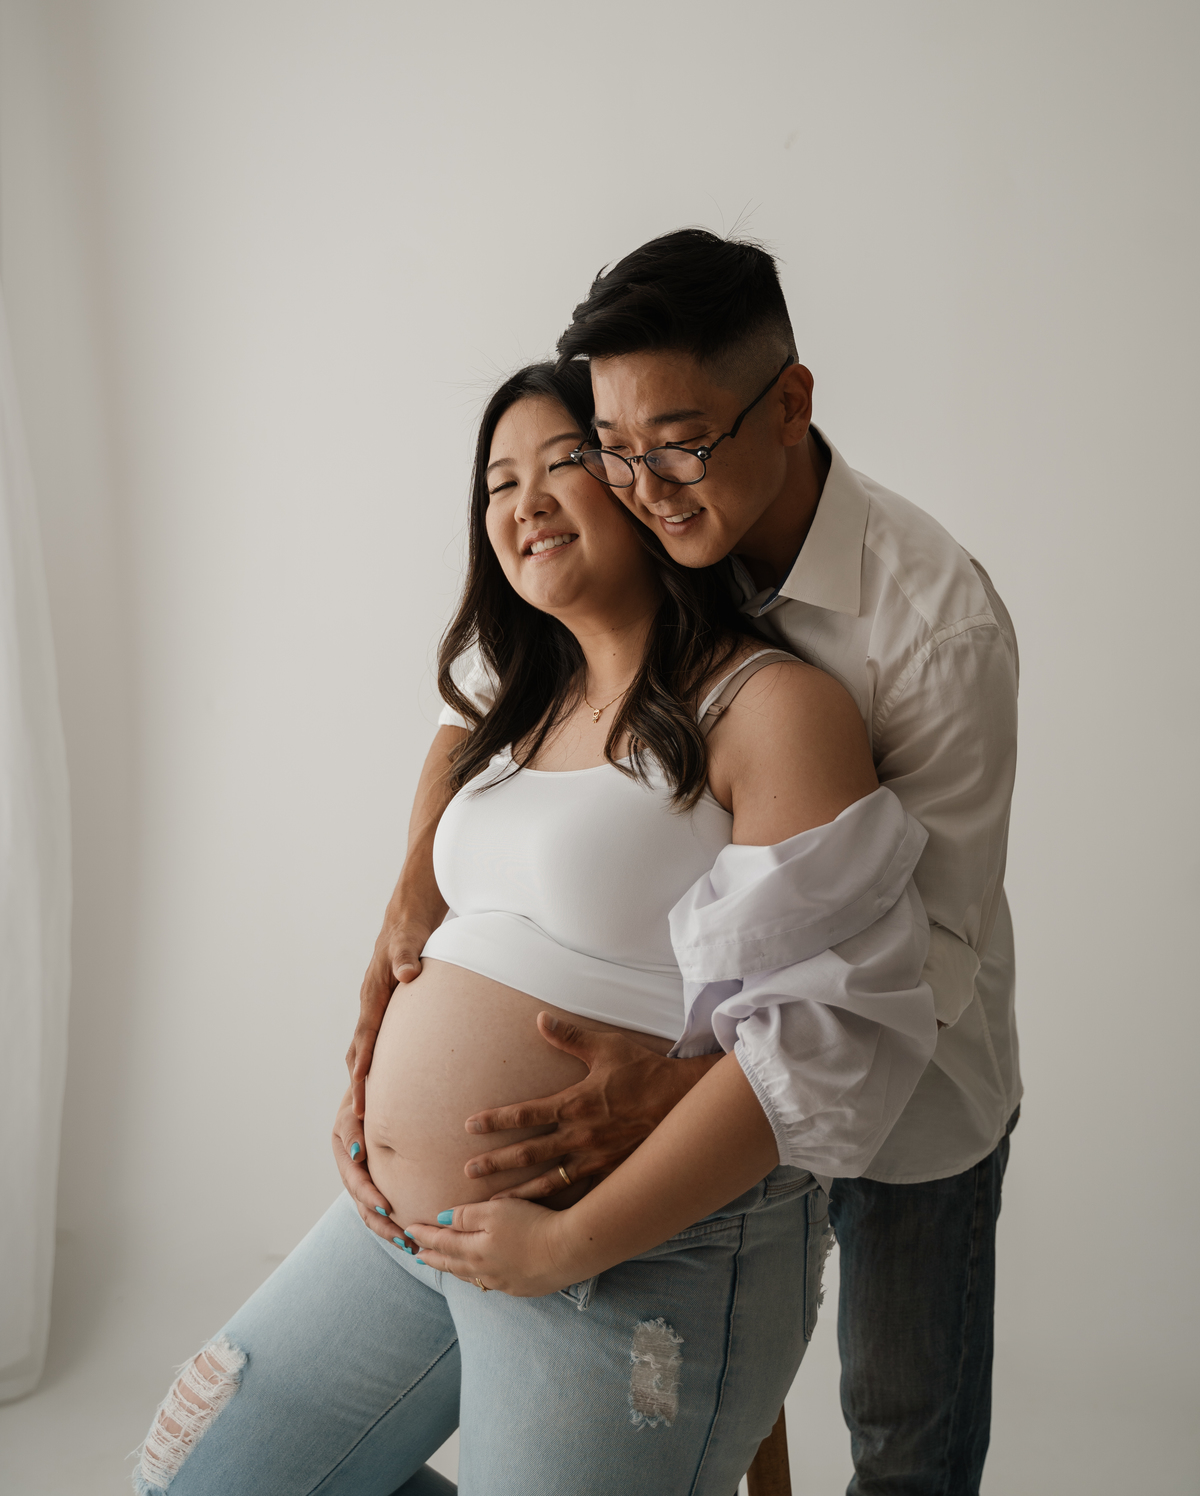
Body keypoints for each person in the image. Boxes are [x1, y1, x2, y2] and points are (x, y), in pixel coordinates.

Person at [135, 360, 935, 1496]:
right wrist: (389, 1004)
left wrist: (568, 1242)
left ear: (639, 481)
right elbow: (449, 793)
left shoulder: (768, 708)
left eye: (563, 462)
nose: (525, 501)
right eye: (498, 482)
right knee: (191, 1480)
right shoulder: (515, 706)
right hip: (404, 1239)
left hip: (635, 1259)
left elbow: (830, 1041)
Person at [342, 233, 1021, 1496]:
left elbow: (921, 955)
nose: (645, 486)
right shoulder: (658, 531)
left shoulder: (934, 630)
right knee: (731, 1359)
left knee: (903, 1436)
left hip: (907, 1090)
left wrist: (690, 1086)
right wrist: (413, 895)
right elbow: (492, 702)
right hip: (700, 1093)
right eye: (614, 446)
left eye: (681, 443)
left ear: (792, 402)